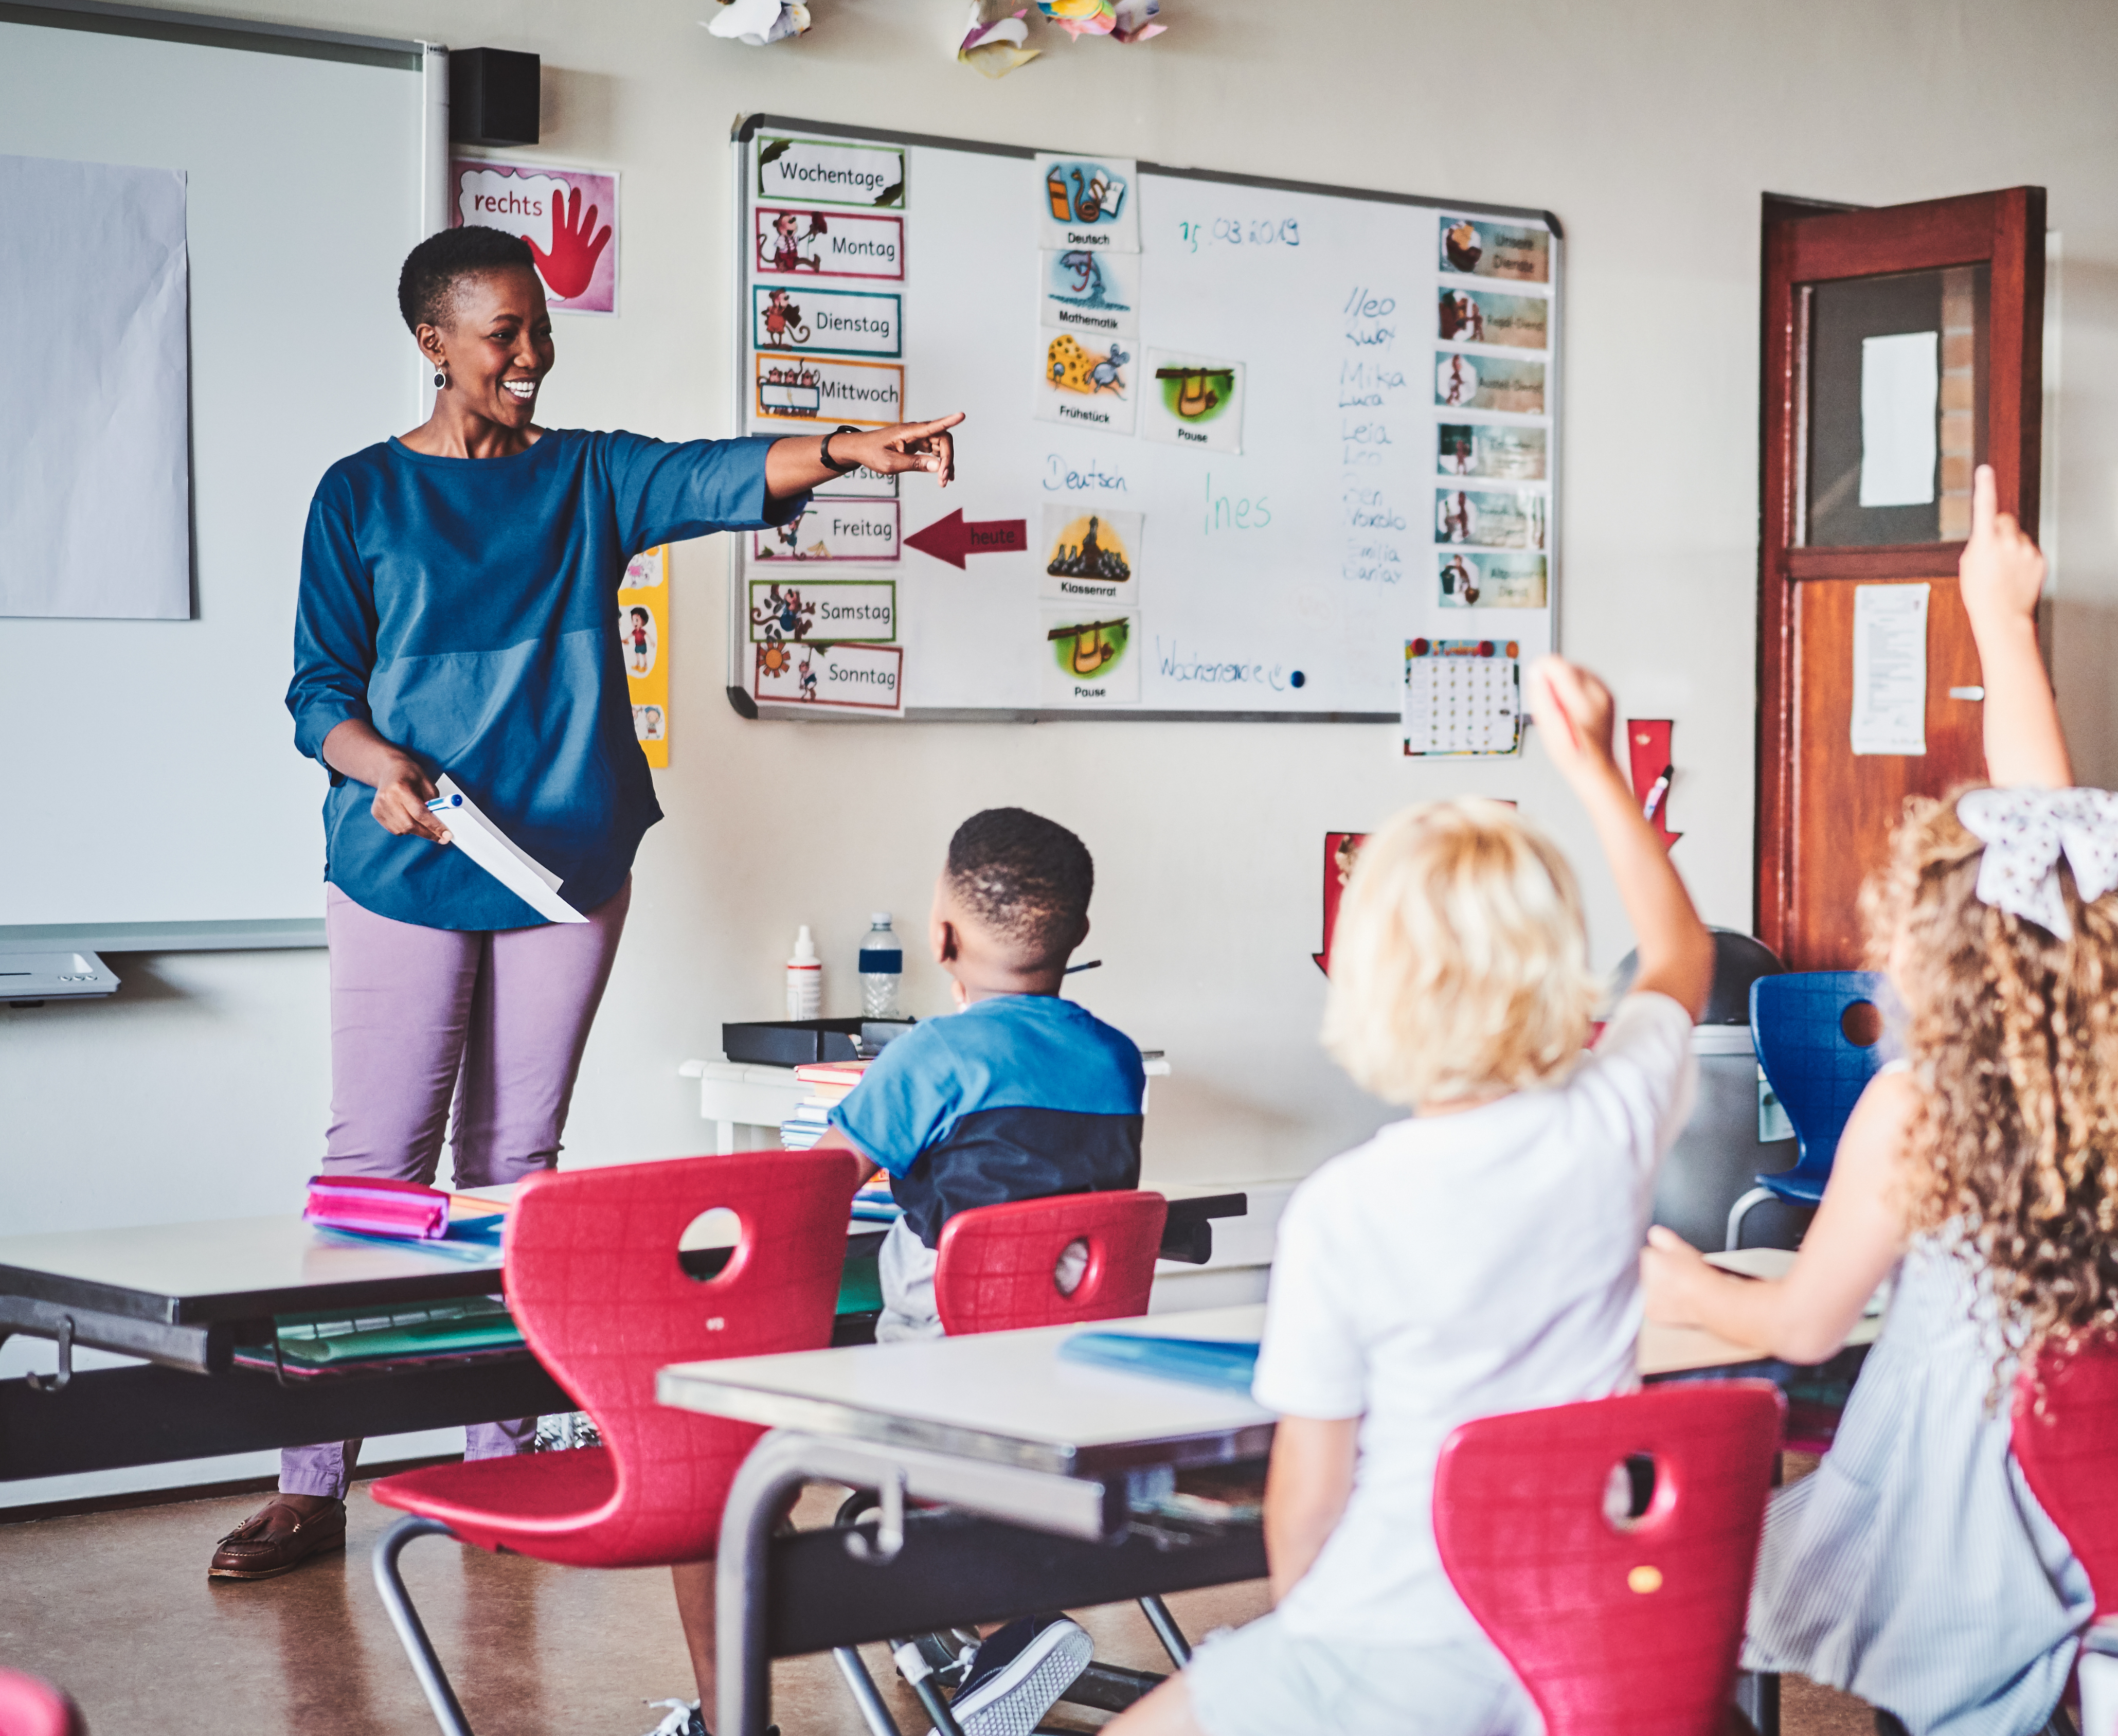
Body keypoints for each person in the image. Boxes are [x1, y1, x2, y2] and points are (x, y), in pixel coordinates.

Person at [228, 224, 961, 1596]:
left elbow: (720, 474)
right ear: (434, 341)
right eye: (501, 332)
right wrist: (372, 758)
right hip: (407, 850)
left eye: (539, 328)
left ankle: (501, 1449)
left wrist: (857, 447)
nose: (529, 355)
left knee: (517, 1164)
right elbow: (316, 686)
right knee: (378, 1167)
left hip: (566, 859)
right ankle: (306, 1474)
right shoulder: (361, 496)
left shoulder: (588, 476)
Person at [1637, 465, 2118, 1736]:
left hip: (1964, 1551)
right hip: (2094, 1538)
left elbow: (1798, 1327)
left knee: (1653, 1597)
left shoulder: (1921, 1106)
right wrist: (2001, 623)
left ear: (1936, 953)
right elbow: (2056, 859)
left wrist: (1675, 1285)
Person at [1111, 655, 1713, 1736]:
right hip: (1585, 1641)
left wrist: (1304, 1648)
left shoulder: (1347, 1207)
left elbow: (1308, 1495)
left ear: (1367, 977)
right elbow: (1680, 952)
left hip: (1392, 1651)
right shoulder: (1610, 1123)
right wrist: (1596, 769)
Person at [654, 809, 1145, 1736]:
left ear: (942, 935)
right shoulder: (1115, 1059)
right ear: (1077, 938)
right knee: (865, 1509)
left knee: (716, 1480)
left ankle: (745, 1718)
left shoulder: (934, 1055)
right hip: (1070, 1386)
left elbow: (814, 1189)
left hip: (938, 1386)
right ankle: (980, 1644)